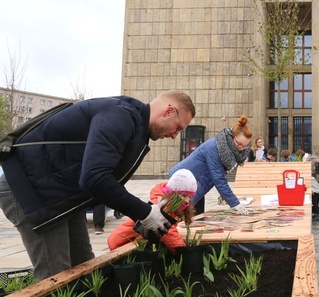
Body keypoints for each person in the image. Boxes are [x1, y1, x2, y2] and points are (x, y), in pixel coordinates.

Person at [0, 90, 196, 281]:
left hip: (58, 192)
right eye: (178, 128)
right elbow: (95, 178)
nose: (174, 136)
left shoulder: (135, 124)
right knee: (56, 277)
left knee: (85, 266)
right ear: (169, 111)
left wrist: (144, 213)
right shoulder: (121, 116)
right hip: (29, 190)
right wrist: (145, 212)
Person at [169, 115, 253, 215]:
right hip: (182, 185)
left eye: (244, 146)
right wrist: (235, 204)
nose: (241, 148)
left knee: (195, 219)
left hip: (197, 186)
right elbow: (218, 178)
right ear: (231, 137)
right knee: (177, 217)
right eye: (239, 144)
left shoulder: (226, 149)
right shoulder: (214, 148)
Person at [108, 169, 198, 253]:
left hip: (135, 243)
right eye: (184, 195)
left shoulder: (170, 203)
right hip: (122, 244)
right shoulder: (161, 206)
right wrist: (183, 252)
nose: (186, 200)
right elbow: (168, 234)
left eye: (189, 197)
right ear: (172, 192)